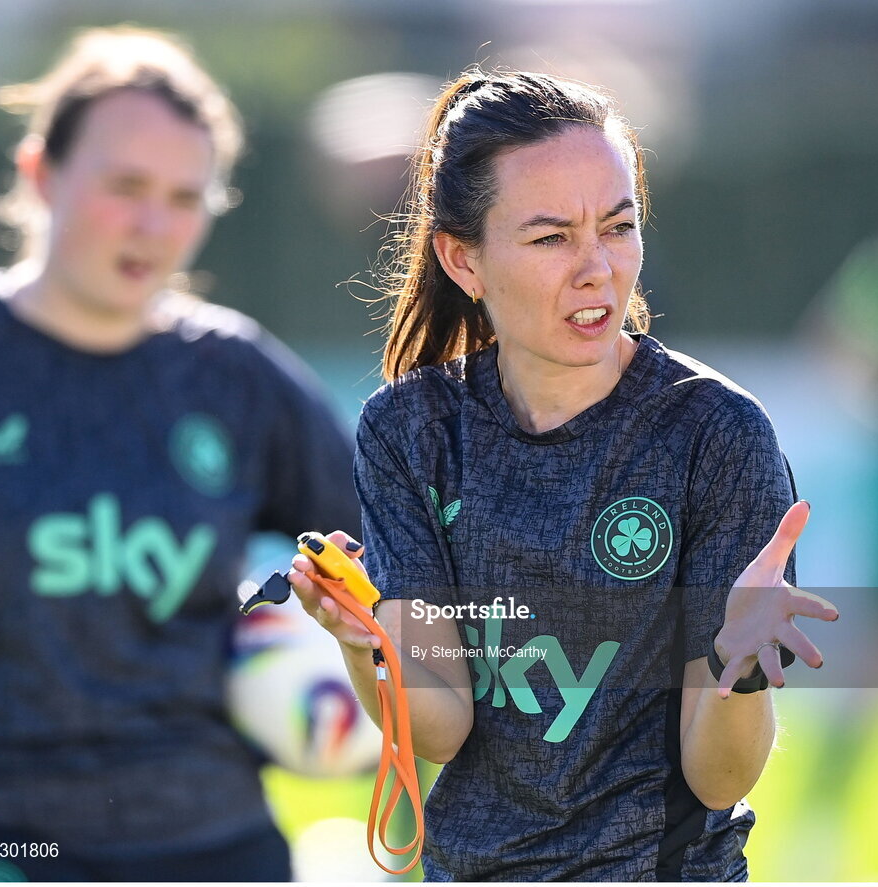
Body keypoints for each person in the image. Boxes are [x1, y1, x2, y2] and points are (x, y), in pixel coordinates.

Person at [289, 69, 839, 881]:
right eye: (551, 237)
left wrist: (738, 665)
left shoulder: (715, 433)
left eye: (616, 227)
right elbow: (437, 726)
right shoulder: (407, 431)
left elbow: (719, 776)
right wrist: (361, 640)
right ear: (462, 259)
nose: (597, 269)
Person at [0, 26, 361, 882]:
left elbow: (394, 552)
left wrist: (323, 636)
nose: (153, 224)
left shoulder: (237, 376)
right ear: (40, 174)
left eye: (184, 196)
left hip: (215, 842)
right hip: (0, 840)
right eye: (125, 185)